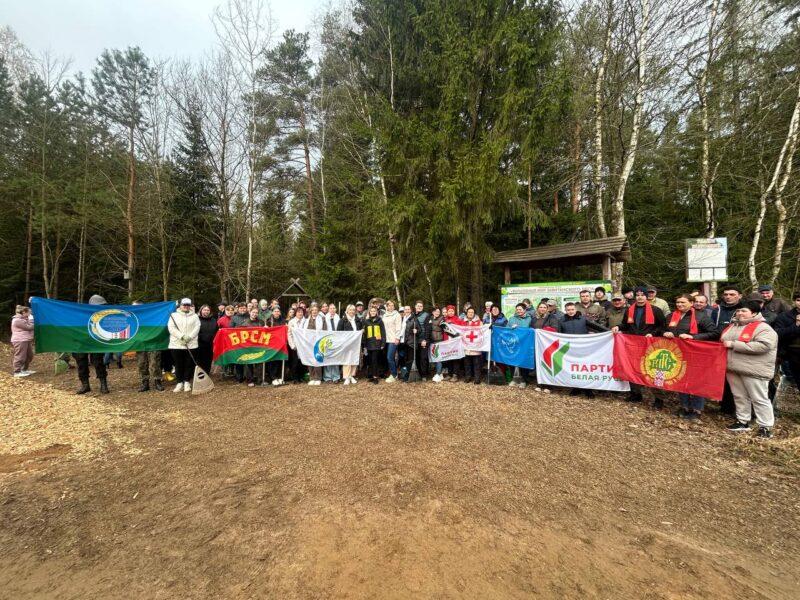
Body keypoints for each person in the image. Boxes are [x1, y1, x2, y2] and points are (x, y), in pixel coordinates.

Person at [721, 300, 779, 438]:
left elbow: (764, 346)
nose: (740, 313)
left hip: (754, 369)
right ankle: (742, 421)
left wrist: (735, 344)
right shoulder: (733, 325)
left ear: (754, 312)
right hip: (733, 367)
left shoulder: (763, 328)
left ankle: (765, 427)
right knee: (739, 396)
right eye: (739, 310)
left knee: (759, 398)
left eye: (744, 311)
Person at [663, 294, 718, 421]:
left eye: (683, 302)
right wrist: (665, 332)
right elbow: (662, 329)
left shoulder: (701, 316)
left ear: (691, 303)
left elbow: (714, 333)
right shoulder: (671, 316)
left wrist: (693, 337)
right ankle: (684, 406)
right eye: (678, 302)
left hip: (696, 354)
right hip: (677, 354)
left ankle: (697, 410)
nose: (680, 305)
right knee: (681, 378)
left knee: (696, 381)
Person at [615, 287, 666, 407]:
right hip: (633, 344)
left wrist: (653, 333)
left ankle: (659, 399)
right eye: (637, 295)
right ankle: (635, 394)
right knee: (632, 368)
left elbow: (663, 326)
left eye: (642, 295)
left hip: (651, 345)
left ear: (646, 296)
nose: (640, 297)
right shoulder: (629, 310)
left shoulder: (656, 310)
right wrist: (618, 327)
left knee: (652, 371)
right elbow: (625, 324)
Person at [711, 286, 744, 415]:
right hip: (719, 347)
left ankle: (740, 410)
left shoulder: (744, 310)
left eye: (732, 294)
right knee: (722, 377)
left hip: (737, 347)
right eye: (726, 294)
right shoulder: (717, 310)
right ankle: (726, 406)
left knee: (736, 379)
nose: (728, 297)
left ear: (739, 295)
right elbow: (712, 328)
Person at [74, 294, 110, 395]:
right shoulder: (81, 314)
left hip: (96, 342)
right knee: (81, 363)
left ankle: (103, 384)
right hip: (82, 342)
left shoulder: (104, 315)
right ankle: (85, 385)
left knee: (98, 362)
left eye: (103, 305)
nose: (101, 307)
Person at [168, 298, 201, 393]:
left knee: (189, 364)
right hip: (176, 344)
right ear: (180, 305)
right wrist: (181, 336)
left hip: (191, 344)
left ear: (190, 306)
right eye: (184, 305)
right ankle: (179, 382)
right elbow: (171, 328)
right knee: (178, 364)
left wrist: (189, 337)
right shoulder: (174, 315)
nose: (186, 306)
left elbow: (197, 327)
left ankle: (186, 381)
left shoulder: (195, 316)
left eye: (188, 305)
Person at [131, 300, 163, 392]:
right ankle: (145, 383)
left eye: (137, 306)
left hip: (153, 343)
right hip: (140, 344)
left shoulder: (151, 315)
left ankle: (157, 381)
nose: (136, 308)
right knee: (142, 363)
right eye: (134, 306)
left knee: (155, 363)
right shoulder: (132, 317)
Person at [774, 291, 800, 391]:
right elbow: (778, 333)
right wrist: (796, 325)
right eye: (798, 300)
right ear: (794, 301)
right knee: (795, 380)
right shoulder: (784, 316)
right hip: (792, 354)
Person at [507, 303, 533, 388]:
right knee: (512, 361)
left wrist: (521, 328)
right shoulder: (512, 319)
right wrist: (511, 328)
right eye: (517, 309)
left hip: (525, 344)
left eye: (520, 309)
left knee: (523, 362)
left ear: (525, 310)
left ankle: (523, 380)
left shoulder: (530, 319)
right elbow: (507, 330)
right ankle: (513, 379)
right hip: (514, 343)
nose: (518, 311)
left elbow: (531, 329)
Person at [404, 300, 431, 380]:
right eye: (418, 306)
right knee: (417, 358)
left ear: (422, 307)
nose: (419, 307)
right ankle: (418, 374)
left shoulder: (426, 315)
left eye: (421, 306)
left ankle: (424, 375)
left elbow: (428, 329)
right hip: (414, 340)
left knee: (423, 358)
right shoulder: (412, 315)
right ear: (415, 307)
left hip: (423, 340)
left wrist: (425, 340)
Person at [338, 304, 362, 384]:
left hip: (355, 344)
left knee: (354, 359)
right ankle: (346, 377)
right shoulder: (342, 320)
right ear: (347, 311)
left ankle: (352, 375)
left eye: (353, 310)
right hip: (346, 344)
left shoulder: (358, 320)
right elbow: (338, 332)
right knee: (347, 360)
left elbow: (360, 330)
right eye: (350, 310)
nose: (352, 311)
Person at [460, 306, 483, 384]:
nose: (470, 313)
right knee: (467, 363)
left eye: (472, 312)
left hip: (476, 346)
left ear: (474, 313)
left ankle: (477, 378)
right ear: (466, 313)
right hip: (466, 346)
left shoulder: (479, 321)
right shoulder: (463, 321)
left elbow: (483, 331)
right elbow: (459, 330)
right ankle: (468, 377)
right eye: (469, 312)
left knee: (477, 364)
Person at [363, 305, 386, 384]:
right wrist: (364, 345)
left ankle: (376, 377)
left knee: (375, 360)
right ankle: (372, 376)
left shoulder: (380, 321)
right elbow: (365, 334)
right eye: (371, 311)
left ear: (376, 312)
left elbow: (383, 333)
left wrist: (383, 343)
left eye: (374, 311)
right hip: (369, 344)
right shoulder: (366, 321)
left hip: (377, 344)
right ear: (369, 312)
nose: (373, 312)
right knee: (370, 361)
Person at [11, 305, 35, 378]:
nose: (30, 314)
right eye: (29, 313)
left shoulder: (24, 318)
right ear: (24, 312)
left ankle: (23, 370)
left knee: (29, 355)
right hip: (20, 340)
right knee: (20, 356)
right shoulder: (17, 320)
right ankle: (17, 372)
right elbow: (29, 327)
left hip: (26, 339)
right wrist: (31, 320)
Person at [264, 306, 286, 385]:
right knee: (272, 360)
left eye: (278, 311)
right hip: (272, 344)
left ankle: (279, 376)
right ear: (272, 312)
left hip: (281, 343)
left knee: (279, 360)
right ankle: (272, 377)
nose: (277, 313)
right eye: (275, 311)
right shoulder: (269, 321)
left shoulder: (283, 321)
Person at [382, 300, 402, 382]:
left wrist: (397, 338)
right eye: (389, 305)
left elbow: (398, 327)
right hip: (385, 339)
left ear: (394, 306)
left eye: (392, 305)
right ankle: (392, 372)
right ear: (386, 306)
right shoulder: (384, 315)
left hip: (393, 339)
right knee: (390, 358)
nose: (390, 307)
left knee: (389, 357)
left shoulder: (397, 315)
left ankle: (394, 375)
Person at [196, 305, 218, 377]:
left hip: (210, 343)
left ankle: (207, 374)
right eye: (204, 310)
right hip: (200, 343)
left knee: (208, 360)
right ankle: (200, 375)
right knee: (200, 360)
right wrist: (202, 337)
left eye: (207, 310)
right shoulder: (197, 319)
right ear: (201, 311)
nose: (206, 311)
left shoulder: (213, 320)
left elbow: (216, 330)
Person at [287, 306, 307, 384]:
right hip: (295, 344)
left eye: (301, 312)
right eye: (298, 312)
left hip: (303, 345)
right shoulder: (291, 322)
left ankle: (301, 377)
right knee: (294, 362)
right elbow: (289, 334)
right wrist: (292, 345)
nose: (300, 313)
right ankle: (295, 378)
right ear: (296, 313)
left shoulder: (306, 321)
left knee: (302, 362)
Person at [443, 305, 463, 382]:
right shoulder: (444, 320)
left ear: (454, 312)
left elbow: (463, 327)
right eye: (449, 311)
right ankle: (449, 374)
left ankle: (455, 374)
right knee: (448, 357)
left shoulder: (458, 319)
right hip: (447, 341)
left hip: (455, 342)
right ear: (447, 312)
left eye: (452, 311)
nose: (450, 312)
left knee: (455, 358)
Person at [323, 304, 341, 384]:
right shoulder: (325, 318)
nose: (332, 310)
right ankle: (327, 377)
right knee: (328, 358)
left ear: (336, 309)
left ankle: (336, 377)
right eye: (331, 308)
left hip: (336, 340)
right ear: (328, 309)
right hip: (327, 340)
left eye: (334, 308)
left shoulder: (338, 317)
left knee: (335, 358)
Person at [429, 306, 446, 382]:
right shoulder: (430, 318)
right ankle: (440, 373)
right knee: (434, 357)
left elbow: (444, 327)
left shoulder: (442, 319)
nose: (437, 313)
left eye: (438, 312)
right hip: (432, 341)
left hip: (439, 340)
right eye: (436, 311)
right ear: (433, 312)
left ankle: (438, 373)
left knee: (438, 358)